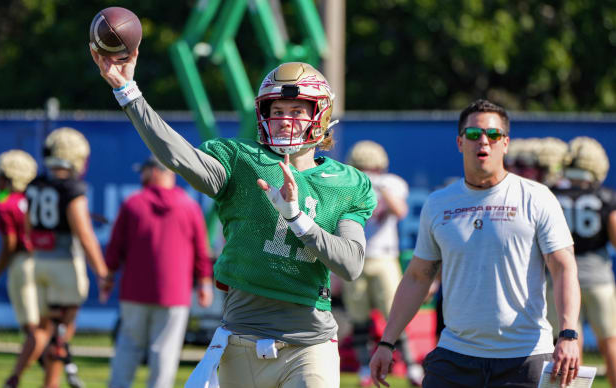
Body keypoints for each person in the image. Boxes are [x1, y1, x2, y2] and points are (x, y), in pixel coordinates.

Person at [91, 47, 376, 387]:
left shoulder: (348, 183)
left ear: (321, 115)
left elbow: (351, 264)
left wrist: (298, 218)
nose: (285, 118)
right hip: (242, 336)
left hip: (310, 342)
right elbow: (179, 157)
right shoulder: (241, 159)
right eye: (278, 109)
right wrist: (129, 93)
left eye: (297, 110)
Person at [370, 99, 581, 388]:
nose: (484, 141)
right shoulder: (438, 203)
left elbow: (563, 268)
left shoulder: (537, 197)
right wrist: (386, 342)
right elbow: (418, 277)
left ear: (505, 143)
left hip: (524, 357)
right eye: (473, 134)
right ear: (460, 142)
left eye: (493, 135)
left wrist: (568, 334)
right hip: (455, 356)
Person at [102, 155, 214, 388]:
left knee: (128, 348)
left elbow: (115, 248)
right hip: (174, 295)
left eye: (144, 171)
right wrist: (203, 283)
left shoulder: (133, 204)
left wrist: (108, 277)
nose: (141, 176)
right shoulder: (189, 206)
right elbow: (201, 251)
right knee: (165, 352)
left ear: (155, 172)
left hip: (134, 292)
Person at [25, 127, 109, 388]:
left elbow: (28, 228)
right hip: (64, 267)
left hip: (37, 263)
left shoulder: (35, 184)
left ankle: (41, 376)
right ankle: (51, 380)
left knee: (45, 331)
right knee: (60, 334)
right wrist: (102, 272)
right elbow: (85, 235)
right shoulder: (71, 188)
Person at [344, 140, 424, 387]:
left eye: (372, 169)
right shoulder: (347, 184)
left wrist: (378, 185)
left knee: (395, 314)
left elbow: (400, 211)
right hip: (355, 257)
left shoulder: (393, 183)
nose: (368, 172)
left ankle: (411, 366)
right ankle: (365, 367)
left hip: (384, 257)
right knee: (358, 317)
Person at [549, 137, 616, 387]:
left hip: (560, 278)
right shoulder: (605, 196)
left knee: (569, 339)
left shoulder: (551, 195)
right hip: (598, 277)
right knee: (610, 341)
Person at [0, 150, 45, 388]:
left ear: (10, 177)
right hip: (43, 260)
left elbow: (10, 243)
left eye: (0, 176)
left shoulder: (4, 205)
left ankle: (15, 378)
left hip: (23, 263)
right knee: (41, 325)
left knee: (33, 329)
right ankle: (57, 368)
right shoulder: (37, 199)